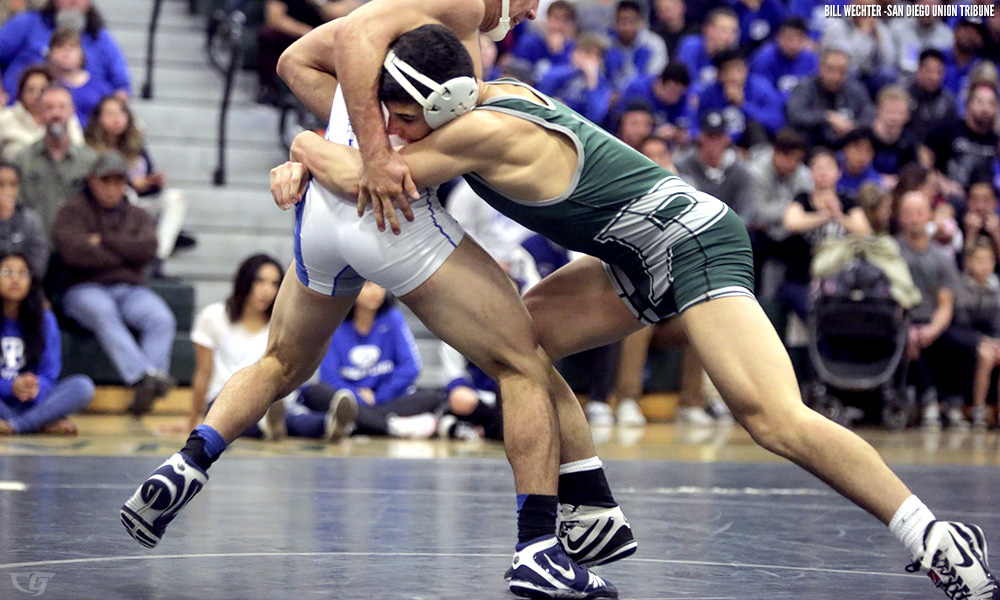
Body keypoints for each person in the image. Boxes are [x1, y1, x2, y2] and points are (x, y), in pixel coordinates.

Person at [279, 24, 1000, 599]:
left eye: (404, 120)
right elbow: (336, 93)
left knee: (772, 417)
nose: (392, 132)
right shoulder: (482, 99)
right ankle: (589, 498)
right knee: (518, 344)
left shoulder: (478, 131)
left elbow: (364, 173)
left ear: (441, 106)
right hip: (633, 250)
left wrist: (304, 145)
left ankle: (934, 534)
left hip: (692, 241)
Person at [122, 7, 631, 600]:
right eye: (529, 4)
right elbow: (422, 113)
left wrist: (312, 147)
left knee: (281, 362)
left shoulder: (389, 39)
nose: (527, 15)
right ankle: (539, 547)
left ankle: (187, 462)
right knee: (521, 362)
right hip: (388, 213)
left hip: (321, 216)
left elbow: (295, 61)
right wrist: (372, 154)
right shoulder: (463, 16)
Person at [52, 153, 176, 417]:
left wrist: (103, 241)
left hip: (130, 289)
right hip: (83, 287)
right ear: (91, 181)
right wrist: (125, 252)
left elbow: (148, 249)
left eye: (117, 181)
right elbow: (74, 253)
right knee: (102, 311)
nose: (110, 188)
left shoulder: (138, 214)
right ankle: (144, 376)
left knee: (160, 317)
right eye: (104, 181)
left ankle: (150, 381)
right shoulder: (72, 211)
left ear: (125, 184)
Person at [285, 281, 444, 440]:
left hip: (386, 399)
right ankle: (392, 426)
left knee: (432, 397)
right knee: (315, 392)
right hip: (349, 399)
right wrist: (358, 397)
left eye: (380, 284)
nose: (376, 291)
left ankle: (353, 423)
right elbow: (329, 377)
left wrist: (378, 396)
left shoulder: (393, 318)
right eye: (368, 285)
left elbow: (410, 368)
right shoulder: (334, 323)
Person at [188, 255, 288, 436]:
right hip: (223, 399)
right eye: (260, 281)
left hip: (269, 399)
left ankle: (331, 422)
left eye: (275, 284)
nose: (267, 291)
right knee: (228, 420)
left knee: (307, 403)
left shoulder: (282, 324)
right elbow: (203, 372)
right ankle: (266, 425)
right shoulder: (213, 316)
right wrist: (192, 422)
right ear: (244, 281)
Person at [84, 94, 190, 263]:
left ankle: (158, 255)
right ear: (98, 119)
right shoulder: (89, 149)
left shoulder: (136, 145)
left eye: (120, 113)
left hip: (142, 203)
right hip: (110, 206)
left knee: (176, 198)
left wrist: (154, 182)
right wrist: (132, 184)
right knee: (126, 192)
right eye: (109, 114)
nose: (116, 119)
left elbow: (149, 179)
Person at [0, 252, 94, 435]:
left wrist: (34, 387)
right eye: (7, 272)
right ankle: (39, 423)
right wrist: (11, 387)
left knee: (83, 386)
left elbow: (49, 374)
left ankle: (15, 426)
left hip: (34, 401)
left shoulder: (45, 319)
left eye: (22, 273)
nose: (15, 279)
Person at [0, 0, 131, 99]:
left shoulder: (100, 38)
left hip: (86, 121)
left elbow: (122, 88)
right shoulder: (26, 24)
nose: (73, 1)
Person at [13, 84, 95, 237]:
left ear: (72, 111)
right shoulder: (22, 160)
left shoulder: (89, 161)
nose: (56, 114)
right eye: (49, 108)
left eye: (62, 107)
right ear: (39, 112)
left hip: (77, 244)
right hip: (35, 243)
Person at [786, 47, 875, 149]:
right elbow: (796, 114)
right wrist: (827, 117)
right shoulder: (805, 87)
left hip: (847, 145)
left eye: (842, 71)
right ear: (820, 68)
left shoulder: (855, 89)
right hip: (813, 145)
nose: (836, 76)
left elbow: (869, 114)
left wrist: (852, 126)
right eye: (831, 69)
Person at [952, 238, 1000, 429]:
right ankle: (978, 408)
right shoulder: (960, 286)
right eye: (980, 260)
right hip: (966, 336)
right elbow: (961, 321)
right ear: (969, 262)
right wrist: (982, 340)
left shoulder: (997, 287)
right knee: (986, 356)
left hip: (993, 337)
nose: (985, 265)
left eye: (989, 260)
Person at [0, 65, 84, 161]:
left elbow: (79, 150)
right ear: (21, 93)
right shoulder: (5, 119)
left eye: (42, 90)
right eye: (31, 90)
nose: (36, 95)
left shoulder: (64, 118)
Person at [46, 27, 111, 126]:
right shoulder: (43, 84)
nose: (67, 52)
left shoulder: (101, 89)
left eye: (72, 47)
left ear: (81, 54)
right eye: (60, 46)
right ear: (50, 53)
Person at [0, 161, 49, 278]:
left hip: (23, 285)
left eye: (13, 185)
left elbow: (38, 265)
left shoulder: (30, 220)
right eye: (0, 184)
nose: (7, 191)